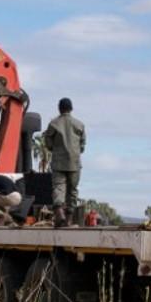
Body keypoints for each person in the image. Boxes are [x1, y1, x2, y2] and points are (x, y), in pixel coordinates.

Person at [43, 97, 86, 227]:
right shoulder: (79, 124)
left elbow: (48, 142)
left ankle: (59, 211)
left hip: (58, 162)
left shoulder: (54, 124)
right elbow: (82, 145)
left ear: (59, 108)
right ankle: (68, 219)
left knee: (58, 187)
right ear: (71, 108)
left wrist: (55, 149)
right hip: (74, 163)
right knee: (73, 190)